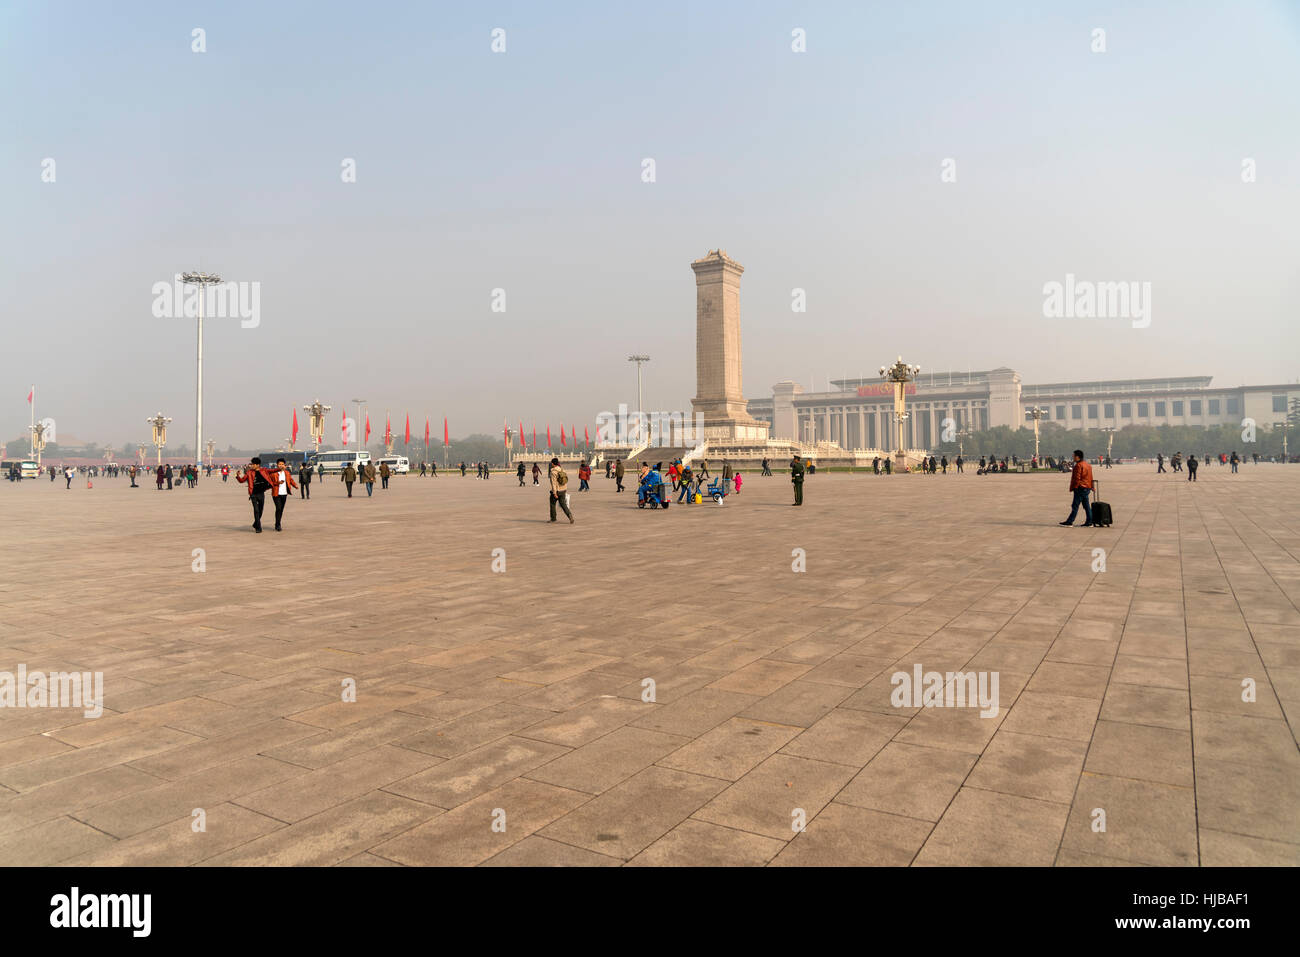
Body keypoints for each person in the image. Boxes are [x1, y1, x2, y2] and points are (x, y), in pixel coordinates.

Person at [236, 457, 274, 533]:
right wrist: (237, 476)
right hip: (253, 494)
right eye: (251, 464)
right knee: (256, 510)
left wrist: (281, 468)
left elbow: (273, 470)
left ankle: (255, 523)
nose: (251, 465)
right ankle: (258, 527)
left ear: (257, 465)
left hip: (261, 493)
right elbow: (242, 480)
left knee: (260, 510)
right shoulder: (249, 472)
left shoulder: (264, 470)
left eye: (253, 464)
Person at [1059, 449, 1094, 527]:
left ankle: (1070, 522)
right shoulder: (1088, 465)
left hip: (1080, 488)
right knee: (1086, 505)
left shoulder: (1078, 465)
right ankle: (1089, 522)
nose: (1073, 457)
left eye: (1074, 456)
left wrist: (1075, 487)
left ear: (1078, 457)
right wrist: (1092, 487)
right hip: (1087, 487)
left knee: (1075, 505)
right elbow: (1091, 477)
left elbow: (1077, 478)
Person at [268, 457, 297, 530]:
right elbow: (270, 483)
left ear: (284, 465)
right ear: (277, 465)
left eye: (282, 464)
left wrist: (295, 485)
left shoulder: (286, 473)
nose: (281, 465)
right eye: (279, 464)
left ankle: (278, 523)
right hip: (276, 493)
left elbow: (290, 480)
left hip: (284, 493)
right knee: (278, 508)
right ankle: (278, 525)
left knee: (281, 509)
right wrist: (277, 482)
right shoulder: (273, 473)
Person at [548, 457, 574, 523]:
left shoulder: (553, 472)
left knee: (552, 504)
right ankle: (569, 515)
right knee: (563, 504)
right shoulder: (562, 470)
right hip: (563, 490)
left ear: (553, 463)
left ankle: (553, 518)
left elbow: (553, 483)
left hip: (557, 491)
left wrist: (554, 493)